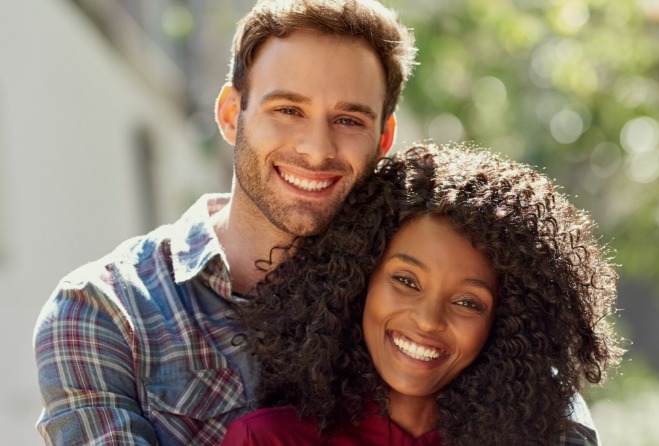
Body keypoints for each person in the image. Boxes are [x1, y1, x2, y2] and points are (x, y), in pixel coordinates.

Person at [33, 1, 415, 444]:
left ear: (383, 138)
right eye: (288, 109)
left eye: (348, 119)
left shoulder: (412, 299)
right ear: (232, 114)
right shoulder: (105, 310)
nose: (317, 149)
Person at [220, 144, 624, 445]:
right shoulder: (267, 440)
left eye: (468, 303)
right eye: (406, 281)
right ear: (358, 280)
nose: (429, 319)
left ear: (503, 323)